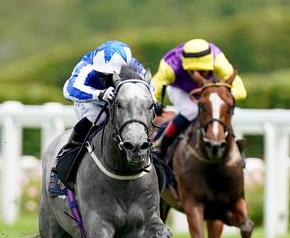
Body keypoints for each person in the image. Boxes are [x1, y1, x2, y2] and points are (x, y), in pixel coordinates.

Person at [55, 40, 148, 185]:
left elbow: (149, 88)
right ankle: (65, 160)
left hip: (123, 102)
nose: (107, 79)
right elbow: (68, 89)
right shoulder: (87, 65)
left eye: (110, 76)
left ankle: (155, 160)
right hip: (92, 101)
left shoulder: (135, 66)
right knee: (98, 118)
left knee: (138, 124)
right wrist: (99, 94)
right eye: (103, 75)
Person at [151, 38, 247, 158]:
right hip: (179, 89)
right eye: (192, 71)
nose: (198, 76)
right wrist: (154, 103)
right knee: (191, 110)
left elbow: (241, 91)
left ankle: (235, 150)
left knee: (217, 109)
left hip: (208, 91)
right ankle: (160, 145)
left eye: (203, 71)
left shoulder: (218, 60)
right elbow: (152, 88)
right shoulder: (171, 65)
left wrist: (221, 98)